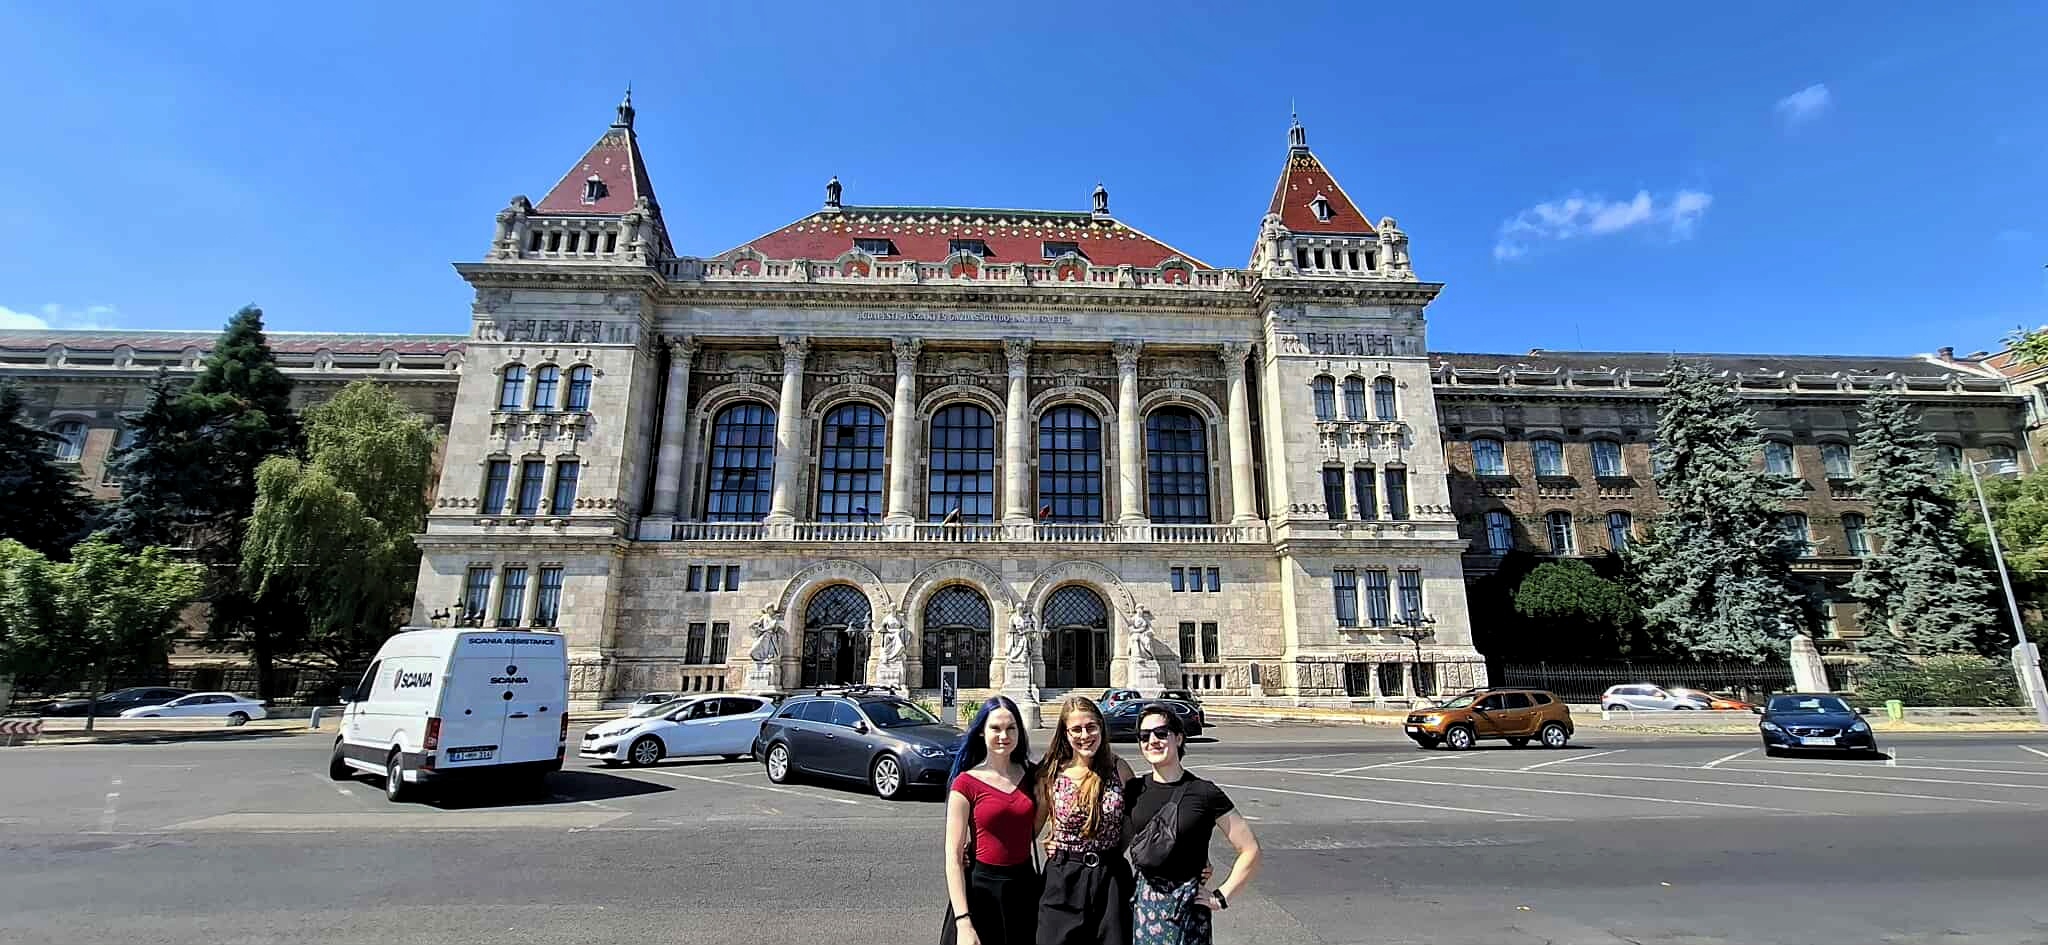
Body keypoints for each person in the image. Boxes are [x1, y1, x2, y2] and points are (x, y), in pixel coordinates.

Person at [1123, 703, 1261, 945]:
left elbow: (1250, 850)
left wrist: (1221, 897)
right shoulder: (1134, 790)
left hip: (1187, 909)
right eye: (1144, 736)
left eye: (1161, 733)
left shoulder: (1204, 793)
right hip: (1143, 907)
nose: (1152, 741)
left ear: (1178, 738)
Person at [1036, 694, 1136, 945]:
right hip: (1064, 878)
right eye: (1076, 729)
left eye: (1091, 727)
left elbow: (1136, 822)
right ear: (1065, 733)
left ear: (1101, 728)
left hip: (1110, 879)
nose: (1085, 735)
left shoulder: (1120, 769)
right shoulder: (1051, 773)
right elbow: (1029, 828)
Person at [945, 696, 1040, 945]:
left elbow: (1035, 825)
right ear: (981, 732)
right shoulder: (965, 783)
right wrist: (963, 922)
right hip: (981, 891)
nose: (1003, 736)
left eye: (1011, 728)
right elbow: (953, 858)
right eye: (995, 728)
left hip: (1024, 888)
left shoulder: (1034, 775)